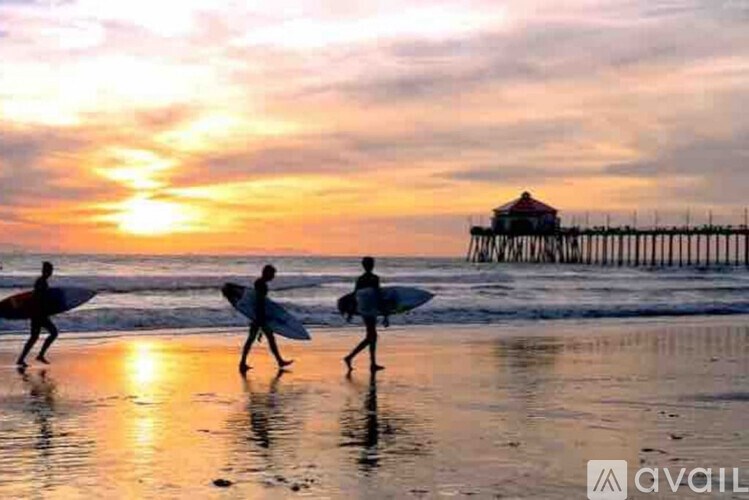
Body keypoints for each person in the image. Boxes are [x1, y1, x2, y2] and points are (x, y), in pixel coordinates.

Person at [239, 265, 293, 374]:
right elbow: (259, 302)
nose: (273, 276)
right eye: (272, 274)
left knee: (263, 339)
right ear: (267, 273)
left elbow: (260, 301)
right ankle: (242, 363)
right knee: (253, 339)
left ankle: (279, 361)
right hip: (259, 316)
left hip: (258, 315)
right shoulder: (261, 285)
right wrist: (260, 319)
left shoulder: (260, 283)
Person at [344, 257, 387, 372]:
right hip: (371, 309)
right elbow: (378, 296)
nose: (371, 265)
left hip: (363, 308)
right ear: (371, 265)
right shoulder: (374, 278)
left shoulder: (360, 279)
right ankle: (350, 357)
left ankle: (372, 363)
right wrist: (385, 314)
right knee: (371, 337)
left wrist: (351, 311)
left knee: (372, 337)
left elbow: (355, 295)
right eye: (371, 264)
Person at [17, 261, 59, 367]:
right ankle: (39, 355)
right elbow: (39, 298)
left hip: (37, 314)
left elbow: (39, 298)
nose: (51, 273)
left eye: (51, 270)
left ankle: (22, 359)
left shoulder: (42, 281)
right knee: (53, 333)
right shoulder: (41, 282)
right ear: (45, 271)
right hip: (39, 314)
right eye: (49, 270)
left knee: (34, 337)